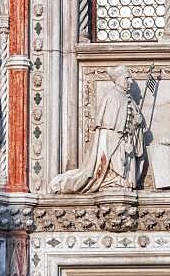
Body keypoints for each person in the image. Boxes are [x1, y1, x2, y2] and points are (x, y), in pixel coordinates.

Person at [50, 65, 145, 193]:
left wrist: (137, 123)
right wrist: (121, 142)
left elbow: (131, 126)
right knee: (115, 164)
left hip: (126, 144)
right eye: (127, 78)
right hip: (115, 143)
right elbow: (107, 130)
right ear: (118, 79)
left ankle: (121, 180)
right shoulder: (111, 97)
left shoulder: (129, 99)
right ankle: (112, 179)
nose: (131, 82)